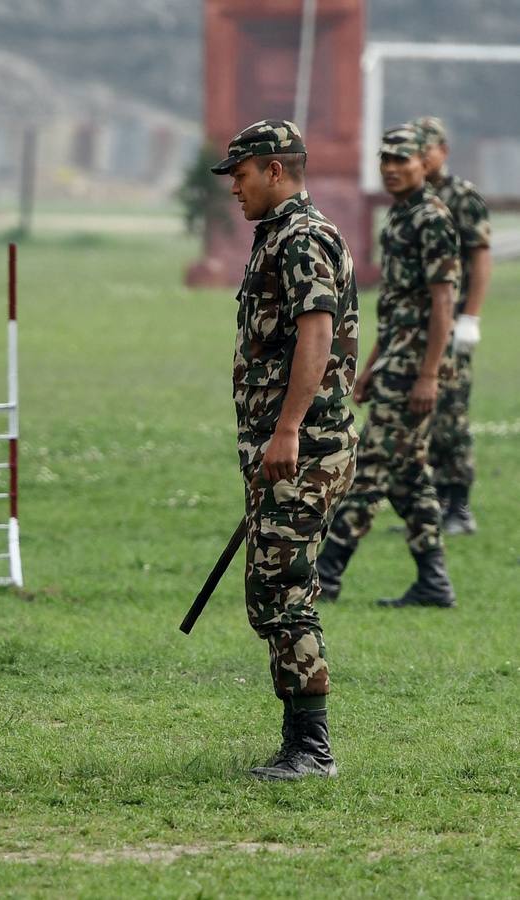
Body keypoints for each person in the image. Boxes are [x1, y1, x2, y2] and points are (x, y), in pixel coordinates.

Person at [210, 119, 358, 780]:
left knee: (283, 586)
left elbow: (315, 334)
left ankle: (310, 749)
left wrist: (288, 428)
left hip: (303, 446)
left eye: (240, 176)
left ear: (274, 169)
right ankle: (298, 741)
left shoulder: (299, 239)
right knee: (273, 586)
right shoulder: (278, 237)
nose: (234, 190)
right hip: (283, 448)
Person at [315, 126, 460, 610]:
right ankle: (434, 583)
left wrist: (428, 374)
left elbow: (443, 303)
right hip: (396, 360)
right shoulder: (399, 217)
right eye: (386, 160)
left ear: (425, 162)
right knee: (409, 475)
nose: (393, 168)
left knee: (372, 465)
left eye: (403, 159)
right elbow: (398, 307)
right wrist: (373, 364)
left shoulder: (433, 219)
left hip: (419, 364)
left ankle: (328, 574)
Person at [411, 116, 491, 535]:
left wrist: (470, 317)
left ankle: (458, 506)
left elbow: (480, 258)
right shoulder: (413, 197)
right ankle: (431, 503)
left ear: (444, 149)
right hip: (418, 326)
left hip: (452, 319)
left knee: (450, 412)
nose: (421, 156)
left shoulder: (461, 197)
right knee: (419, 415)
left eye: (427, 148)